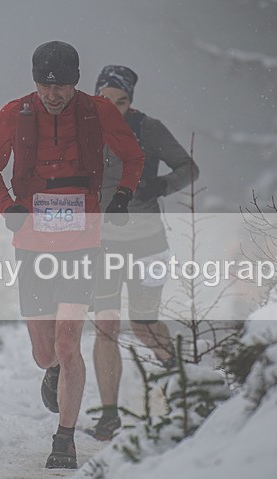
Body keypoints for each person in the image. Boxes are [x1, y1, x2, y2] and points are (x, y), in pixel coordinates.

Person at [0, 43, 144, 469]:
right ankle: (51, 369)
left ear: (75, 80)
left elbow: (133, 156)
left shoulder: (97, 111)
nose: (53, 94)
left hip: (82, 241)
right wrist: (8, 207)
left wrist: (123, 195)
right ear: (35, 81)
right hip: (32, 241)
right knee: (44, 351)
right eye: (44, 85)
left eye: (62, 85)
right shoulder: (14, 113)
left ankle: (63, 441)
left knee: (69, 344)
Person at [87, 65, 199, 441]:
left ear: (131, 101)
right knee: (105, 326)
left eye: (121, 101)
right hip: (100, 243)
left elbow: (189, 167)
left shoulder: (148, 128)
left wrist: (160, 185)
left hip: (148, 241)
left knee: (143, 324)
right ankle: (108, 415)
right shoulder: (82, 127)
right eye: (105, 99)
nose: (113, 107)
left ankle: (183, 386)